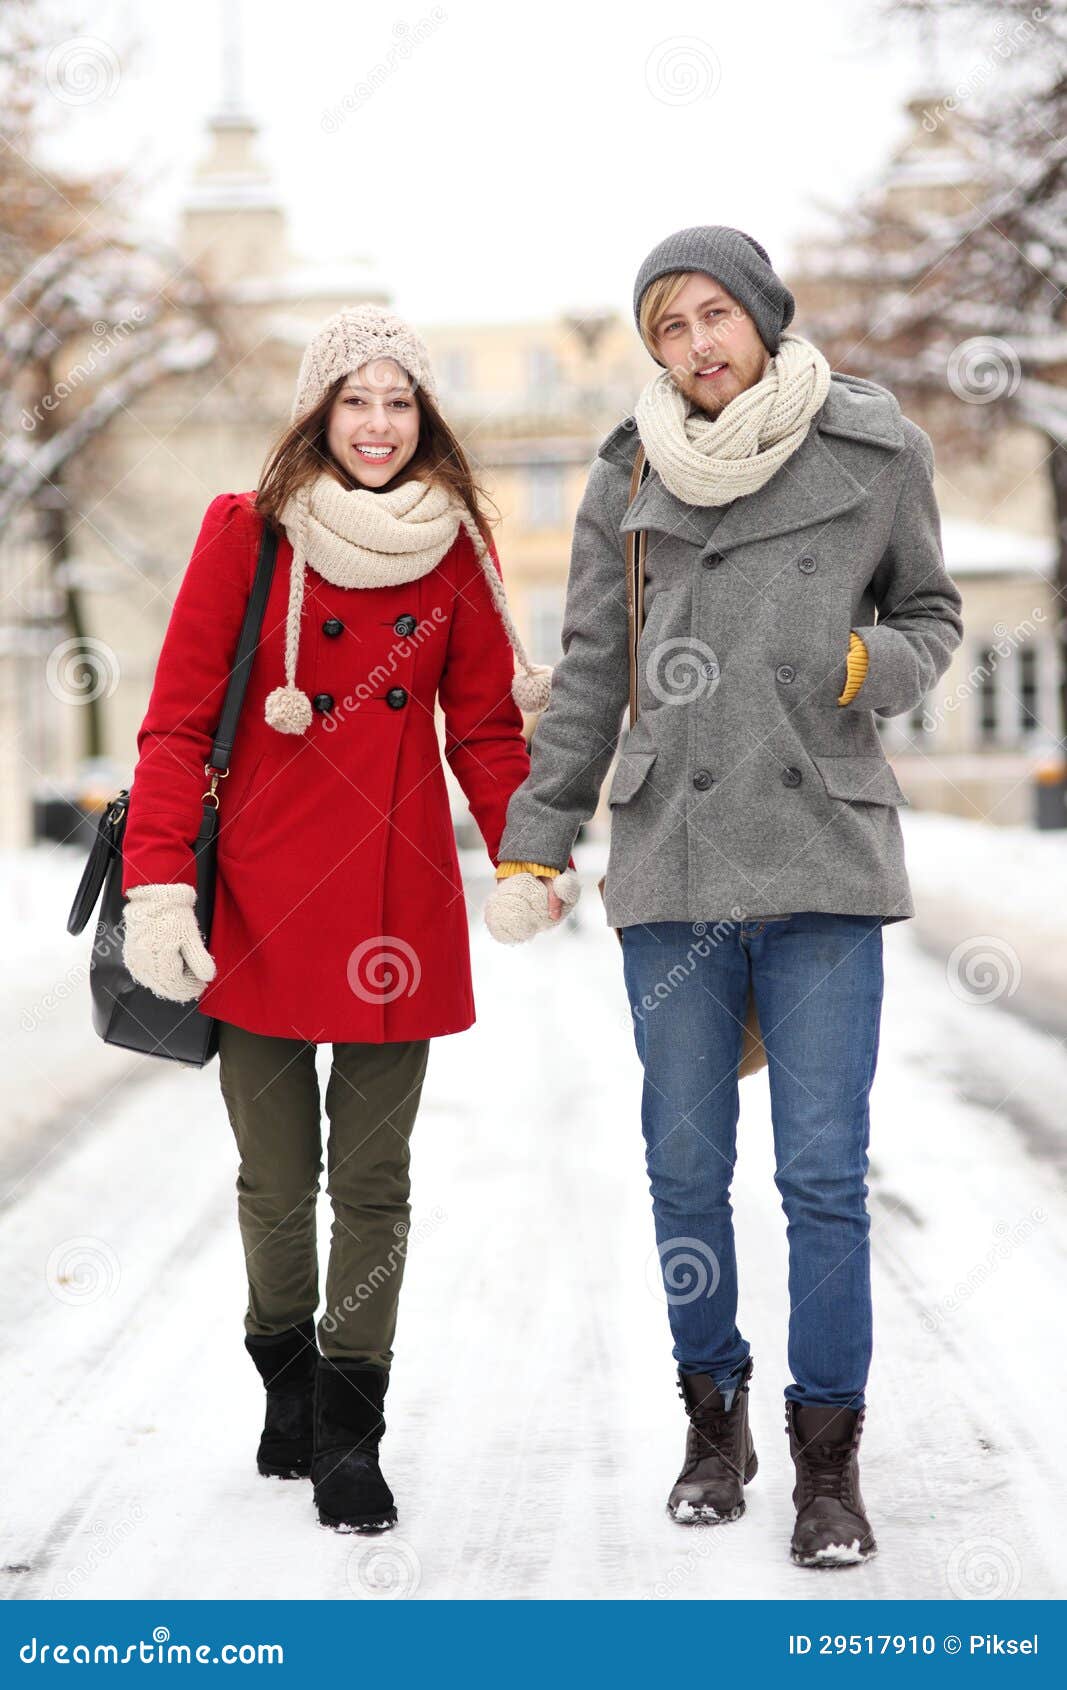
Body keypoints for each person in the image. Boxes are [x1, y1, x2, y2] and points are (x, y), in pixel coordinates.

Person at [486, 227, 963, 1566]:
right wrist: (536, 836)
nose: (696, 345)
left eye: (713, 316)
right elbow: (587, 672)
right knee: (683, 1168)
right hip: (673, 859)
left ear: (759, 317)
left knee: (819, 1174)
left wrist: (874, 659)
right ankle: (714, 1422)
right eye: (667, 328)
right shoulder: (628, 474)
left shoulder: (874, 451)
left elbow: (932, 609)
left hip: (818, 845)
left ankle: (825, 1463)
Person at [120, 303, 575, 1533]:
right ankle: (284, 1374)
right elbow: (173, 725)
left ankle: (349, 1427)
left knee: (373, 1181)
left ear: (425, 417)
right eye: (355, 399)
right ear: (318, 411)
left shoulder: (457, 550)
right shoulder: (248, 534)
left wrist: (525, 854)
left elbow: (483, 726)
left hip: (393, 899)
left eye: (400, 401)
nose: (378, 425)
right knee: (276, 1178)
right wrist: (159, 880)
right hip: (259, 900)